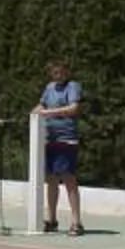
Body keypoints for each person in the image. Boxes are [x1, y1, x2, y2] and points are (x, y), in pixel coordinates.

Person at [37, 58, 84, 236]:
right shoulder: (49, 88)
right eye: (55, 73)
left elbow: (73, 108)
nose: (58, 76)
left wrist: (49, 112)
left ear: (67, 72)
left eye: (61, 72)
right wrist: (34, 113)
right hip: (50, 140)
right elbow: (41, 105)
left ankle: (76, 222)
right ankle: (52, 220)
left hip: (67, 140)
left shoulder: (73, 86)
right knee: (51, 179)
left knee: (69, 179)